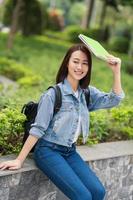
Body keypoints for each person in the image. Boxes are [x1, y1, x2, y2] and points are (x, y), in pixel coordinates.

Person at [0, 44, 125, 200]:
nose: (80, 67)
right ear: (67, 63)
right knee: (83, 197)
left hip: (70, 151)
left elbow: (114, 100)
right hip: (48, 151)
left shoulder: (86, 93)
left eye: (85, 63)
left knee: (98, 192)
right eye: (76, 61)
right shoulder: (53, 94)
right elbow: (38, 129)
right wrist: (19, 160)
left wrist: (116, 71)